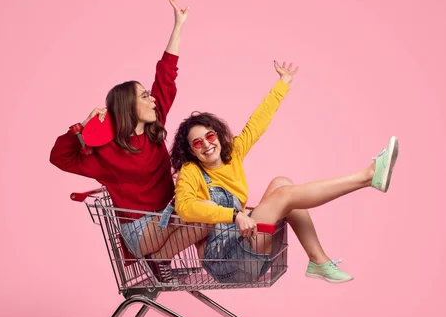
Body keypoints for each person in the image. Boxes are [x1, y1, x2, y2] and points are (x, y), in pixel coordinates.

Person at [170, 60, 399, 284]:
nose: (207, 145)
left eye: (210, 136)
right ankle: (367, 176)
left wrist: (283, 83)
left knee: (282, 183)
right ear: (191, 150)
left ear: (218, 136)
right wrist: (233, 215)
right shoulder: (191, 171)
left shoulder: (233, 154)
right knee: (285, 195)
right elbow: (185, 206)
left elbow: (257, 123)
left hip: (243, 244)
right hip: (225, 259)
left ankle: (318, 260)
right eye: (197, 143)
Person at [50, 0, 205, 282]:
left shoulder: (154, 131)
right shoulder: (106, 153)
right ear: (128, 108)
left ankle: (170, 261)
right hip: (140, 231)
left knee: (205, 213)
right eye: (145, 97)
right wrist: (82, 126)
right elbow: (59, 157)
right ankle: (160, 259)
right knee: (201, 212)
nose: (152, 99)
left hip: (167, 220)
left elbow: (166, 76)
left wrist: (178, 26)